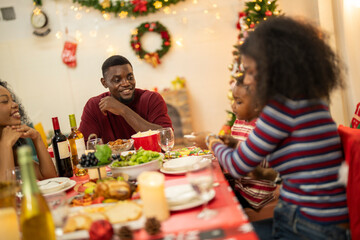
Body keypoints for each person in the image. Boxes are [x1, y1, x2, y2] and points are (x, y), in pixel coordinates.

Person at [208, 16, 350, 239]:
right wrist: (235, 144)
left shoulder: (281, 108)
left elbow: (237, 167)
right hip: (327, 220)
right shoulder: (311, 100)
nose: (247, 80)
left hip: (306, 223)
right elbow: (280, 158)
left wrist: (211, 141)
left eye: (251, 71)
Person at [79, 55, 173, 143]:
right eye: (117, 80)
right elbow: (85, 146)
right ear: (104, 83)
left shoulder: (151, 99)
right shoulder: (94, 106)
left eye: (130, 77)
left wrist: (122, 110)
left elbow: (166, 139)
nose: (126, 83)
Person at [222, 79, 278, 210]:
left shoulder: (263, 126)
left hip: (256, 195)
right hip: (242, 187)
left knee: (222, 205)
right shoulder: (239, 122)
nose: (233, 106)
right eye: (233, 100)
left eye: (239, 102)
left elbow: (261, 160)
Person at [0, 80, 57, 181]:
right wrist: (5, 145)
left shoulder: (13, 150)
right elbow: (7, 194)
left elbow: (50, 178)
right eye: (5, 101)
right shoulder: (6, 145)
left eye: (13, 100)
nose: (15, 104)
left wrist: (37, 138)